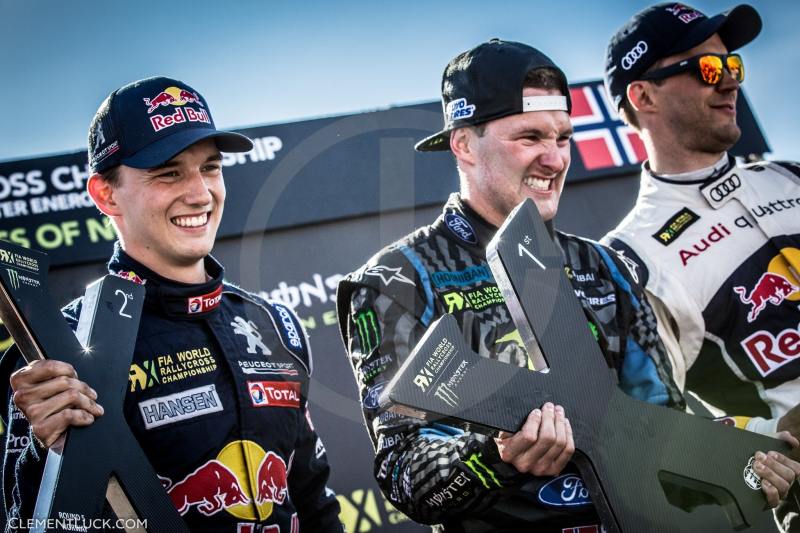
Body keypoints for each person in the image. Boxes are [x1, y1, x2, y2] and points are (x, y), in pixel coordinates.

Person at [336, 38, 799, 532]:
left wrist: (743, 460)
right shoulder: (398, 278)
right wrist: (498, 457)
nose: (554, 161)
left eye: (563, 138)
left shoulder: (603, 266)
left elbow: (661, 434)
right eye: (530, 137)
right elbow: (405, 475)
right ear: (464, 144)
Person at [1, 77, 343, 532]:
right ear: (106, 194)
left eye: (211, 168)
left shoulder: (273, 323)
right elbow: (24, 524)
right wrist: (43, 451)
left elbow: (313, 500)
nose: (200, 193)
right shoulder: (56, 348)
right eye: (169, 172)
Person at [602, 4, 800, 442]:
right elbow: (654, 428)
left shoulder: (789, 176)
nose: (730, 80)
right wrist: (775, 434)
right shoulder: (633, 258)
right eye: (708, 68)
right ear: (643, 97)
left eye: (732, 64)